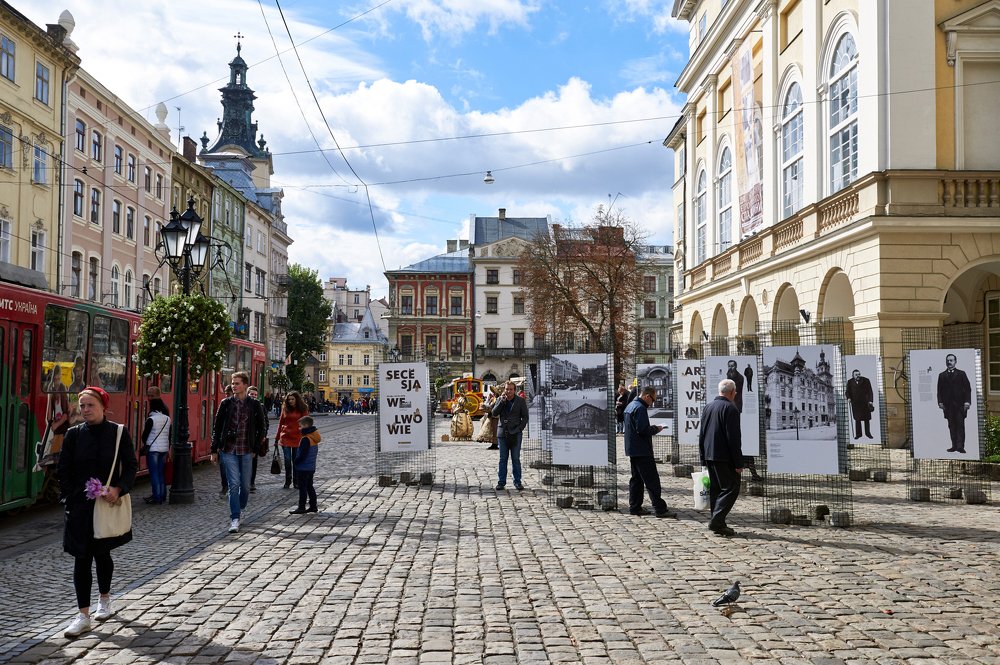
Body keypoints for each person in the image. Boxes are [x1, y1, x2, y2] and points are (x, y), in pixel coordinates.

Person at [58, 386, 138, 638]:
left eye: (90, 405)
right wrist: (71, 497)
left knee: (102, 555)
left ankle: (104, 599)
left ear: (103, 406)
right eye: (82, 406)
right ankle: (83, 616)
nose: (85, 410)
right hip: (80, 507)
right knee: (81, 558)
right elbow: (64, 470)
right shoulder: (73, 435)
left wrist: (119, 489)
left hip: (106, 504)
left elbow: (131, 466)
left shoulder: (118, 433)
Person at [211, 372, 269, 533]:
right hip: (228, 449)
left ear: (244, 385)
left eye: (237, 383)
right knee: (233, 484)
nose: (233, 386)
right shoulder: (226, 403)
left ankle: (241, 506)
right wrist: (214, 449)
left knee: (244, 486)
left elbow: (262, 428)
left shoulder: (254, 404)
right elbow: (217, 427)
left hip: (247, 450)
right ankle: (235, 518)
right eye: (233, 383)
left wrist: (256, 448)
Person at [699, 379, 744, 537]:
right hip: (724, 457)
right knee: (731, 488)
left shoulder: (708, 407)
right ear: (731, 392)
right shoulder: (731, 409)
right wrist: (739, 462)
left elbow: (702, 434)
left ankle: (718, 522)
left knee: (716, 490)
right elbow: (733, 439)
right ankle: (717, 521)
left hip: (710, 454)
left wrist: (702, 457)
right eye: (735, 391)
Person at [624, 386, 676, 518]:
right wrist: (657, 428)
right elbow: (643, 430)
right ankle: (660, 509)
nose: (652, 403)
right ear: (647, 396)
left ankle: (634, 507)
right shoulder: (640, 408)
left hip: (633, 449)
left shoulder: (630, 406)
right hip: (642, 450)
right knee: (652, 480)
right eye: (652, 400)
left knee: (636, 479)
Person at [491, 380, 529, 491]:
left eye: (511, 389)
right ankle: (501, 482)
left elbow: (525, 417)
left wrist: (519, 428)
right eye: (507, 389)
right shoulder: (500, 399)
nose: (508, 391)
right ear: (504, 390)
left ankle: (517, 482)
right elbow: (494, 413)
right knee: (503, 459)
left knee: (515, 459)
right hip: (502, 434)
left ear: (514, 390)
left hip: (515, 433)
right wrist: (501, 402)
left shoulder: (520, 401)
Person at [937, 353, 971, 453]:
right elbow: (939, 391)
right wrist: (940, 402)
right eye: (948, 360)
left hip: (960, 405)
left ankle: (960, 446)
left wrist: (967, 402)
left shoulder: (962, 374)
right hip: (948, 406)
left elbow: (968, 389)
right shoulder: (942, 375)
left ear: (955, 362)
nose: (949, 362)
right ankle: (954, 446)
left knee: (960, 425)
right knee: (951, 426)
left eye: (951, 360)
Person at [141, 398, 171, 505]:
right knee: (161, 473)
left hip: (153, 449)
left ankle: (156, 497)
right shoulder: (167, 419)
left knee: (154, 474)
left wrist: (146, 442)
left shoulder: (151, 419)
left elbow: (145, 436)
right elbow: (169, 435)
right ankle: (162, 496)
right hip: (164, 449)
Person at [276, 392, 309, 489]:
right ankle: (287, 480)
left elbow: (306, 424)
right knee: (287, 460)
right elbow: (280, 423)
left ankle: (296, 481)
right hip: (285, 437)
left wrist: (307, 437)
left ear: (297, 399)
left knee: (296, 460)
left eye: (292, 399)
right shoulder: (285, 408)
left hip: (298, 438)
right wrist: (277, 437)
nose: (290, 401)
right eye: (289, 399)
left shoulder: (303, 409)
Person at [289, 415, 320, 514]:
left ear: (306, 425)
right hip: (310, 467)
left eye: (300, 426)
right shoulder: (313, 437)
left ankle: (301, 507)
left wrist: (296, 461)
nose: (299, 428)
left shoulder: (306, 439)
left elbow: (302, 454)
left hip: (303, 467)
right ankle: (313, 506)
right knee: (309, 486)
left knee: (302, 488)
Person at [247, 386, 269, 492]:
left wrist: (263, 435)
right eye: (251, 394)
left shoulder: (261, 406)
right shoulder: (243, 405)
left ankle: (251, 482)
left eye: (255, 395)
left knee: (253, 461)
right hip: (244, 438)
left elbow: (265, 423)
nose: (254, 396)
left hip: (256, 438)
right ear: (247, 394)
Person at [845, 369, 874, 440]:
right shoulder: (850, 382)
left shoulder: (866, 380)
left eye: (859, 374)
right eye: (856, 374)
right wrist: (848, 398)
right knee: (857, 420)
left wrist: (870, 401)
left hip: (865, 403)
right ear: (853, 375)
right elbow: (847, 392)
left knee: (866, 419)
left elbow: (870, 391)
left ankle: (868, 433)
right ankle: (858, 434)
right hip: (855, 404)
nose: (858, 376)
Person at [218, 383, 234, 498]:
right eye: (226, 394)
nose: (227, 396)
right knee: (223, 466)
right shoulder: (224, 404)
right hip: (225, 440)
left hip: (237, 442)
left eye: (228, 394)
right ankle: (225, 486)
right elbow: (218, 423)